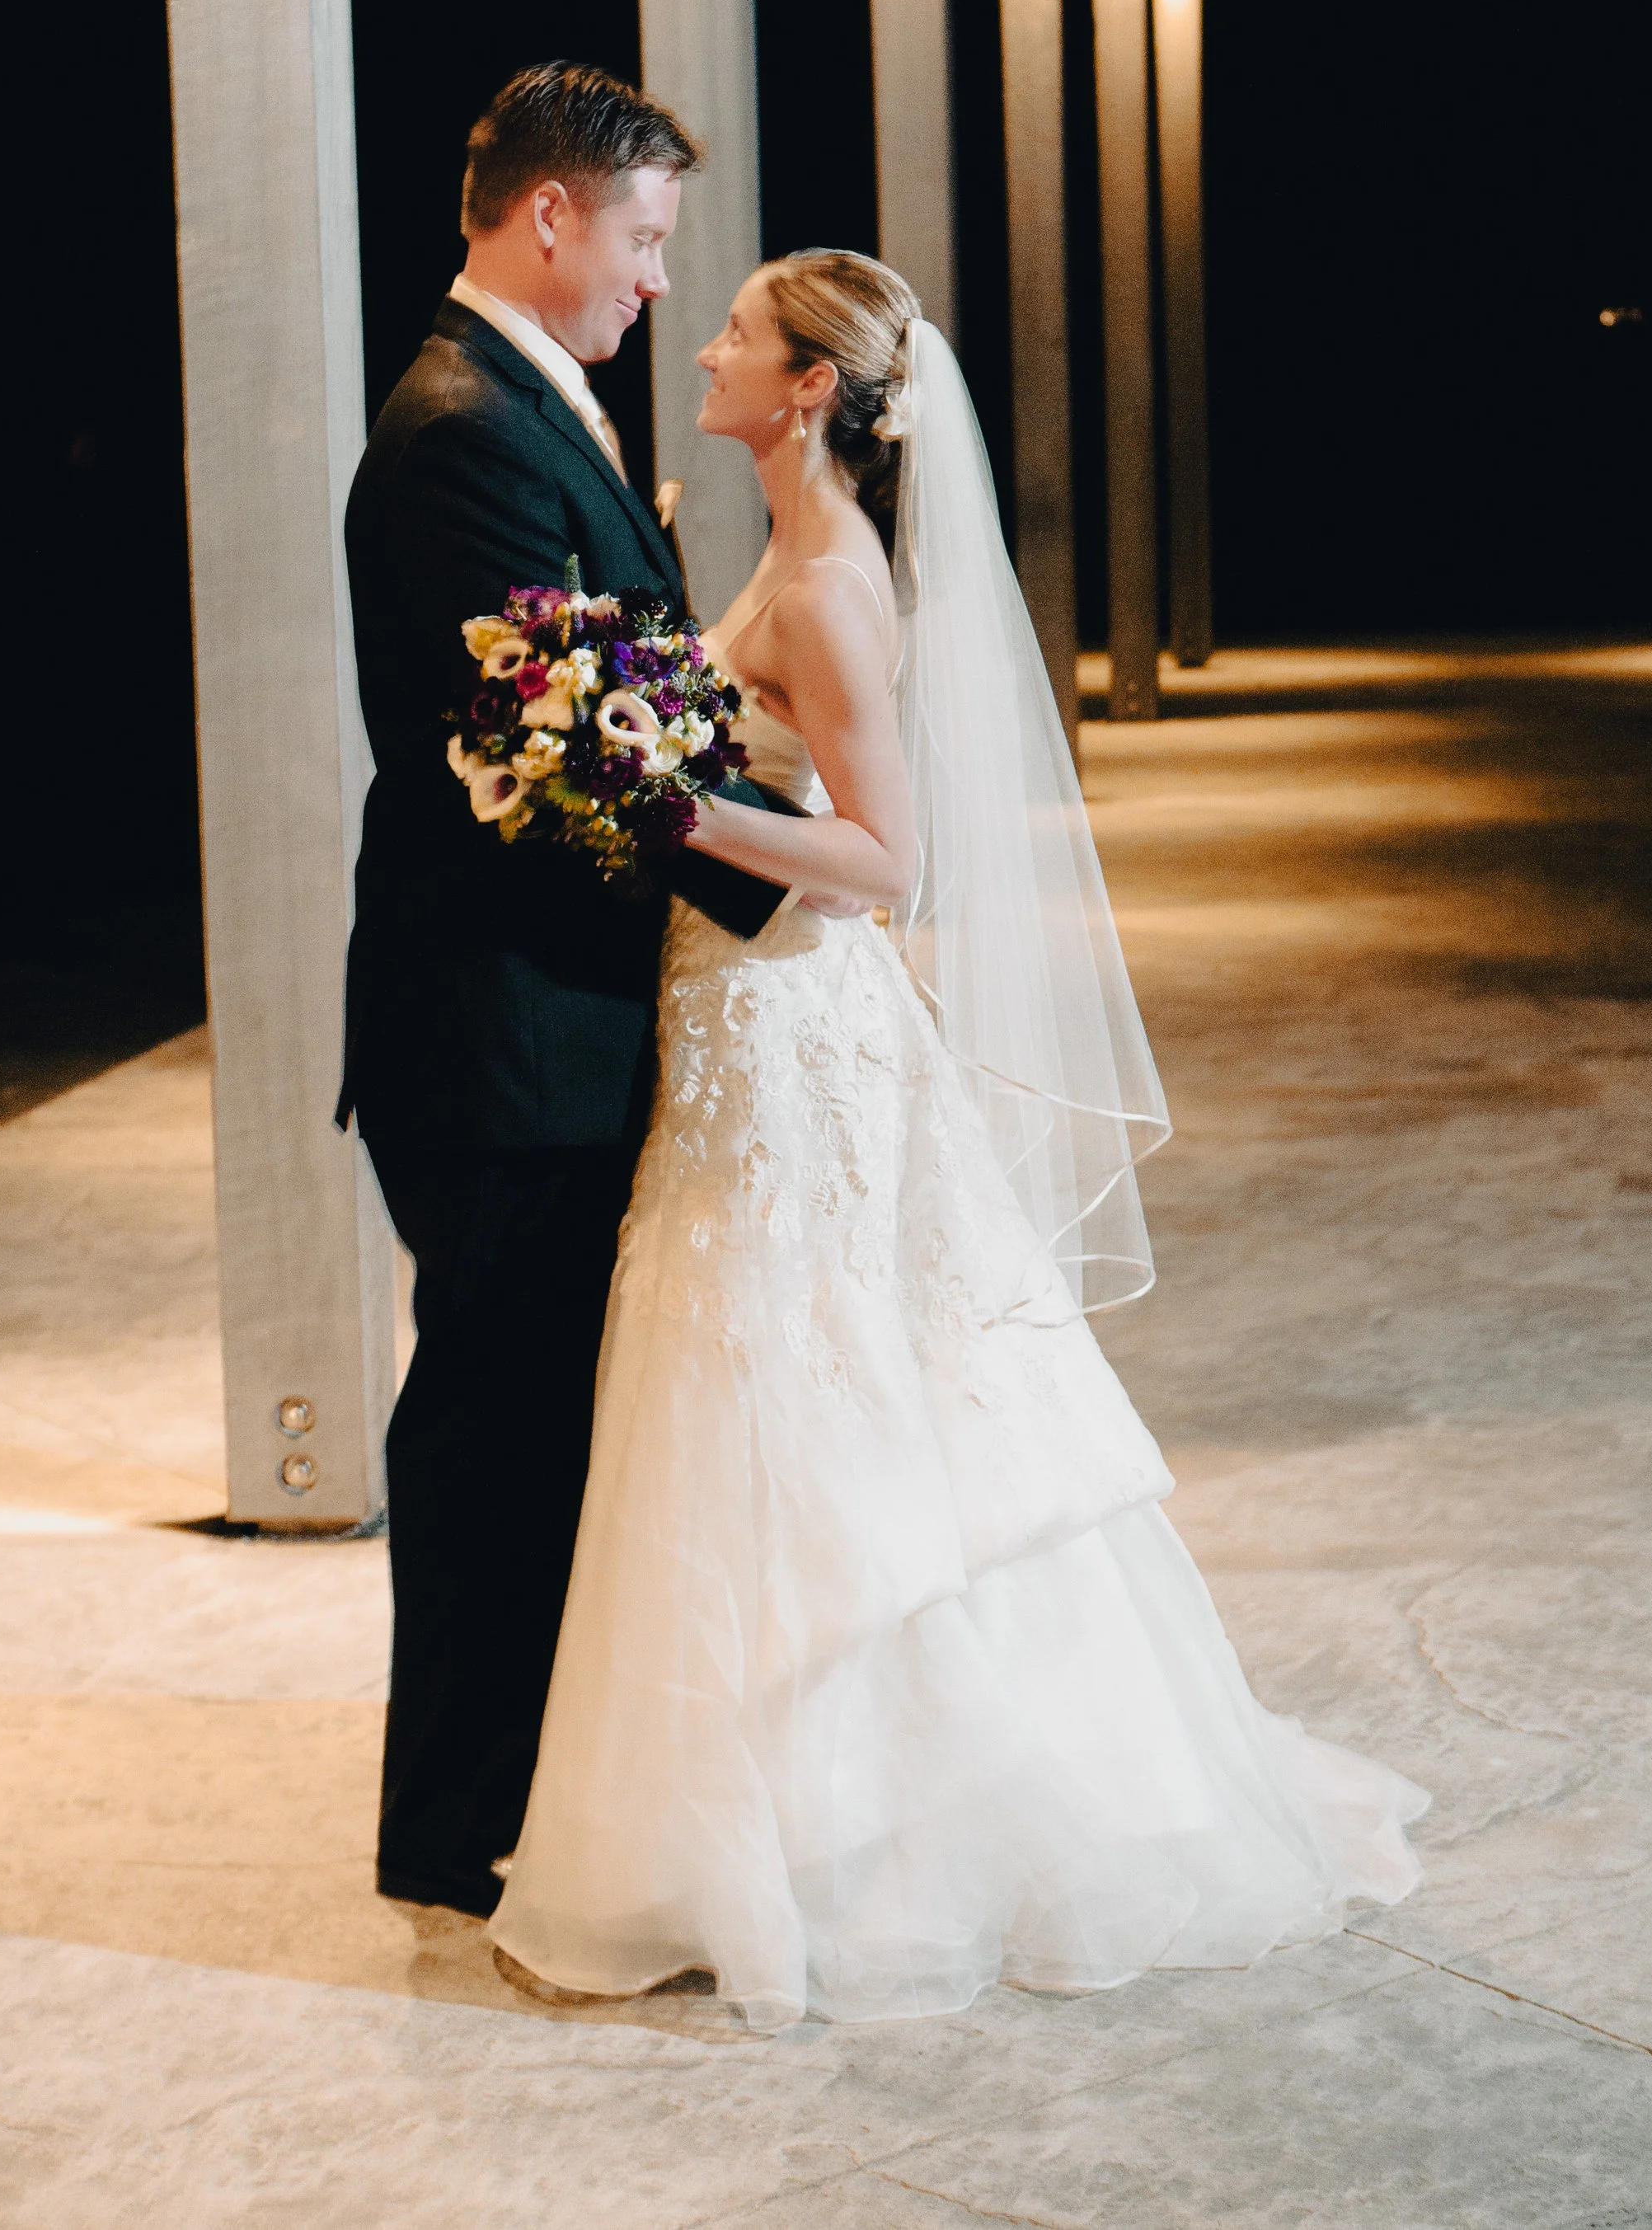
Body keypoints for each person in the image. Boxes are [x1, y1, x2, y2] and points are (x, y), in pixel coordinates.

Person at [489, 249, 1429, 2027]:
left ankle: (858, 1832)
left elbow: (885, 864)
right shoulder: (780, 546)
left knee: (800, 1378)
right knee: (771, 1384)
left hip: (792, 1042)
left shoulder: (831, 587)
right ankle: (765, 1812)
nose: (705, 341)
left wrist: (664, 795)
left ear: (811, 391)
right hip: (737, 1024)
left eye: (742, 334)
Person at [339, 63, 795, 1919]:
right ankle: (451, 1838)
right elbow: (559, 765)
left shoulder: (537, 409)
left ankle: (516, 1796)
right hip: (500, 1038)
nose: (658, 284)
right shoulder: (464, 431)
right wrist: (799, 874)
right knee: (492, 1439)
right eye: (644, 237)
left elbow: (625, 709)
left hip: (552, 1025)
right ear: (549, 215)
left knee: (540, 1431)